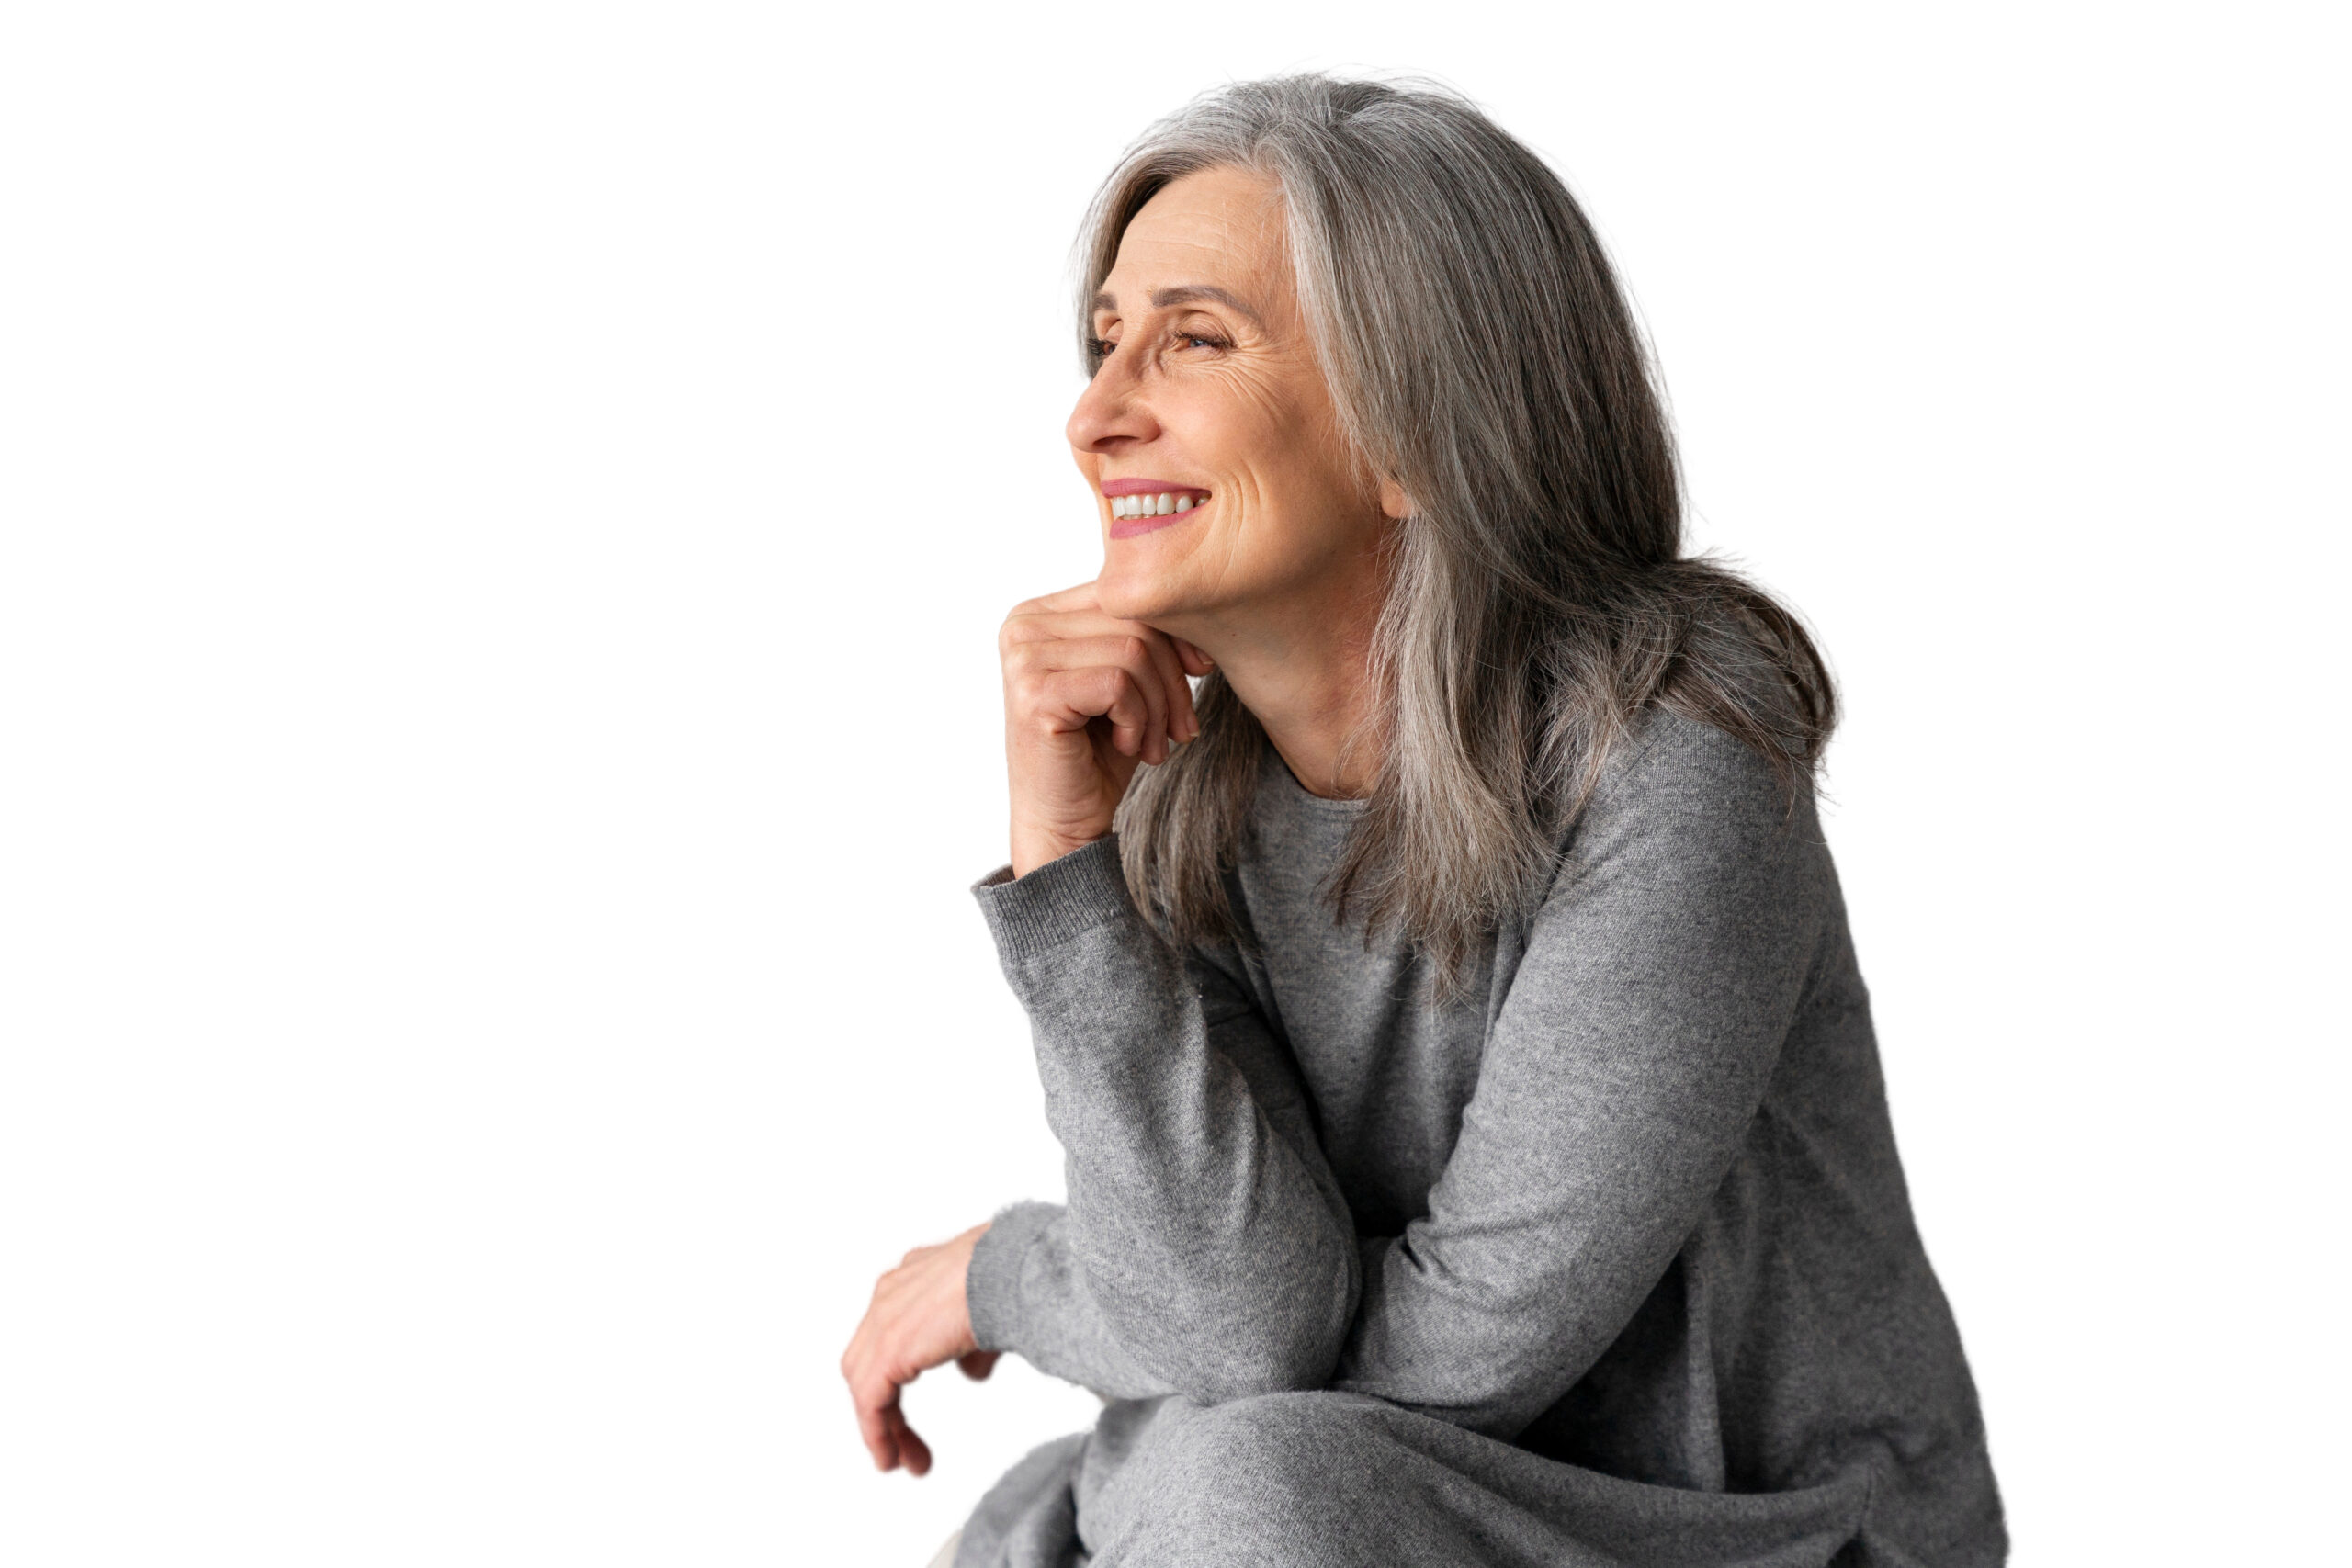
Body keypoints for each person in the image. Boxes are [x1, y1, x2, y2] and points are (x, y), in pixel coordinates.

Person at [839, 74, 2005, 1568]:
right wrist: (1069, 873)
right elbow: (1239, 1323)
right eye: (1106, 339)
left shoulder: (1674, 754)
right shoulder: (1177, 796)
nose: (1094, 417)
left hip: (1752, 1541)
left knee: (1238, 1493)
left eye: (1194, 339)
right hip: (1329, 1515)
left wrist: (1017, 1280)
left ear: (1411, 432)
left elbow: (1458, 1362)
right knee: (1210, 1494)